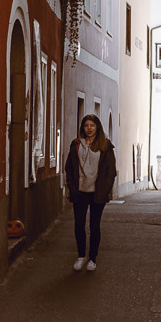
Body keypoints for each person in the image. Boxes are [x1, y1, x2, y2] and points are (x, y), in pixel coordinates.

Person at [64, 114, 116, 272]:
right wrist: (72, 187)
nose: (89, 128)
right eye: (86, 125)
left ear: (97, 127)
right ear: (83, 127)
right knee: (79, 225)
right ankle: (81, 256)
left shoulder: (105, 145)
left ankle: (92, 259)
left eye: (92, 125)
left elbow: (110, 171)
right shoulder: (76, 144)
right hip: (80, 191)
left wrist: (105, 190)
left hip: (97, 192)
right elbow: (69, 168)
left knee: (94, 226)